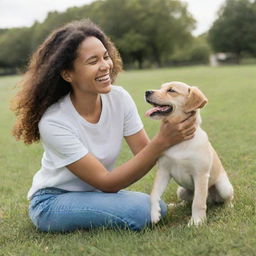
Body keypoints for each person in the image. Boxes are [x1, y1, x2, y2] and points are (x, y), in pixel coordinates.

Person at [12, 19, 196, 232]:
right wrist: (162, 141)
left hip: (95, 194)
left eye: (106, 57)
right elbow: (107, 182)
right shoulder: (54, 121)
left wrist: (195, 162)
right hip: (53, 202)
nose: (105, 66)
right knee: (145, 209)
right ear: (67, 73)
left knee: (150, 206)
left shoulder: (119, 98)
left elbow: (144, 153)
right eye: (93, 61)